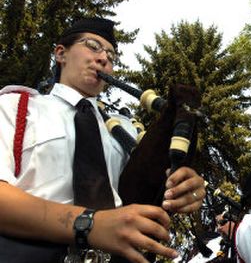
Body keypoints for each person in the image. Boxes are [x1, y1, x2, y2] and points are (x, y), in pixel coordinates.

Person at [0, 17, 205, 263]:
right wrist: (89, 225)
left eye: (111, 55)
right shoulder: (15, 107)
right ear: (61, 54)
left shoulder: (126, 130)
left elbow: (142, 196)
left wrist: (182, 188)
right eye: (93, 46)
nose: (104, 58)